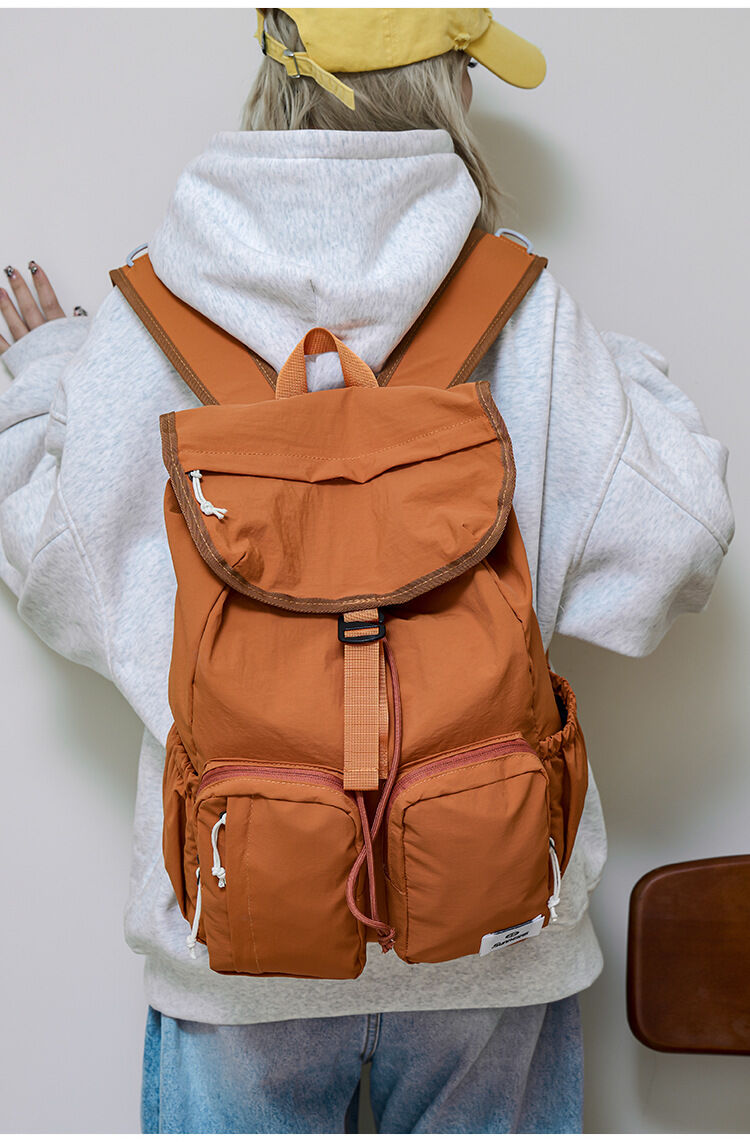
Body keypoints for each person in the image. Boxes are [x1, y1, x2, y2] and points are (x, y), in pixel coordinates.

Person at [0, 8, 735, 1135]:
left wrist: (46, 375)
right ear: (450, 90)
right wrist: (624, 377)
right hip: (492, 938)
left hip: (237, 939)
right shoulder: (521, 307)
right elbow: (675, 540)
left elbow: (56, 565)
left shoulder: (152, 318)